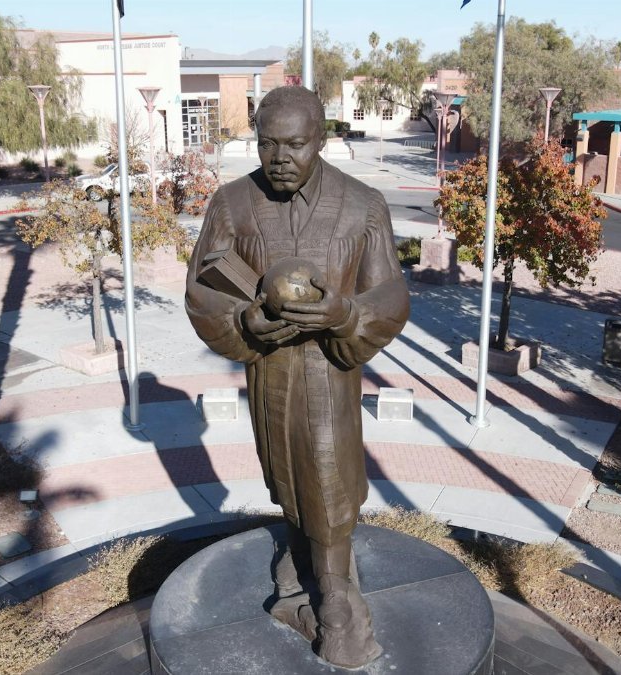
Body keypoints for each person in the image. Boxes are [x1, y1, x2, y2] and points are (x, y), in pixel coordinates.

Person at [184, 85, 409, 668]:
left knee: (329, 473)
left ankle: (338, 605)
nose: (280, 157)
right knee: (284, 473)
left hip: (328, 372)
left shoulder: (362, 206)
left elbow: (390, 293)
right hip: (271, 370)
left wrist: (347, 314)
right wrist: (247, 323)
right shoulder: (233, 204)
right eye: (267, 143)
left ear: (322, 139)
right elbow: (202, 289)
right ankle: (302, 566)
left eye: (296, 144)